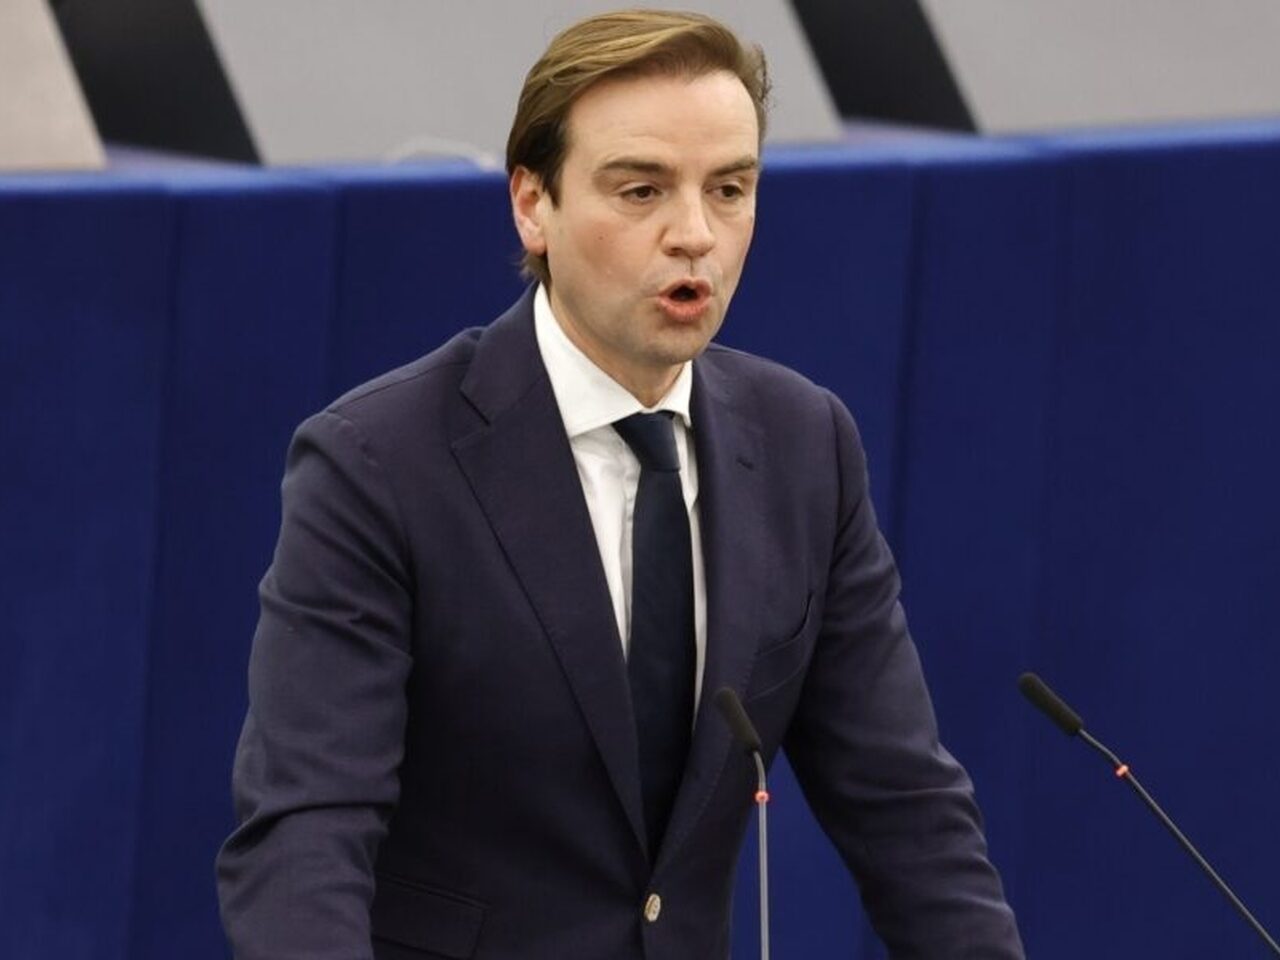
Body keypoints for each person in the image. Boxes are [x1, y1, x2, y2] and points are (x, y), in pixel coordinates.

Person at [216, 9, 1025, 959]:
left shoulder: (804, 444)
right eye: (642, 190)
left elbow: (907, 811)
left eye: (729, 189)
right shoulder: (378, 465)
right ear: (533, 204)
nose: (695, 235)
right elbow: (305, 836)